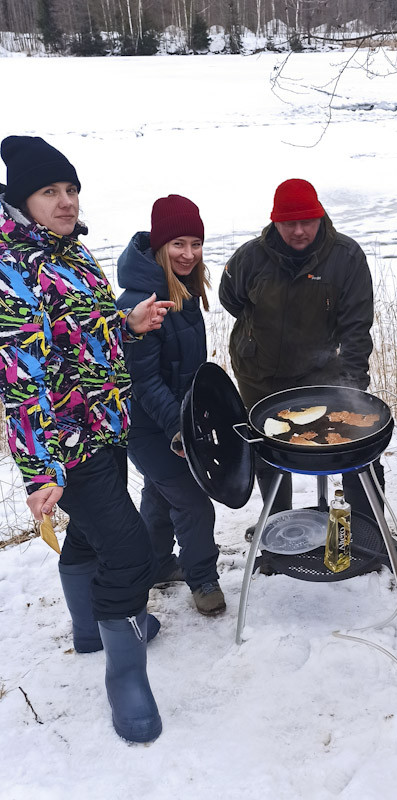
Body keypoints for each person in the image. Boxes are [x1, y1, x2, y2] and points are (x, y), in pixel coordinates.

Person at [0, 135, 174, 743]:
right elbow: (19, 383)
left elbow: (81, 327)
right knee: (130, 553)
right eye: (51, 191)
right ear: (23, 200)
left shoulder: (71, 252)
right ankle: (125, 678)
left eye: (71, 189)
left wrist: (124, 322)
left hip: (105, 424)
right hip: (67, 445)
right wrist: (40, 471)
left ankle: (87, 629)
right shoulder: (11, 269)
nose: (66, 201)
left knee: (94, 535)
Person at [219, 178, 397, 566]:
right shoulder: (250, 258)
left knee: (355, 447)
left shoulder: (345, 257)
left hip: (320, 375)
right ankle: (278, 526)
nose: (298, 231)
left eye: (307, 221)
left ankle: (369, 530)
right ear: (274, 221)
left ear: (320, 215)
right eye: (288, 223)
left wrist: (354, 391)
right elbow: (232, 300)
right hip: (259, 375)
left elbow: (357, 328)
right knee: (267, 451)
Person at [116, 194, 225, 616]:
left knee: (161, 493)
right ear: (161, 246)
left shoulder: (184, 291)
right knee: (192, 499)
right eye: (179, 244)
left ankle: (158, 563)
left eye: (196, 243)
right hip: (147, 426)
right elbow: (143, 381)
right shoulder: (140, 303)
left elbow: (186, 367)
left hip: (174, 419)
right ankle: (203, 580)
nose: (189, 253)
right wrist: (179, 427)